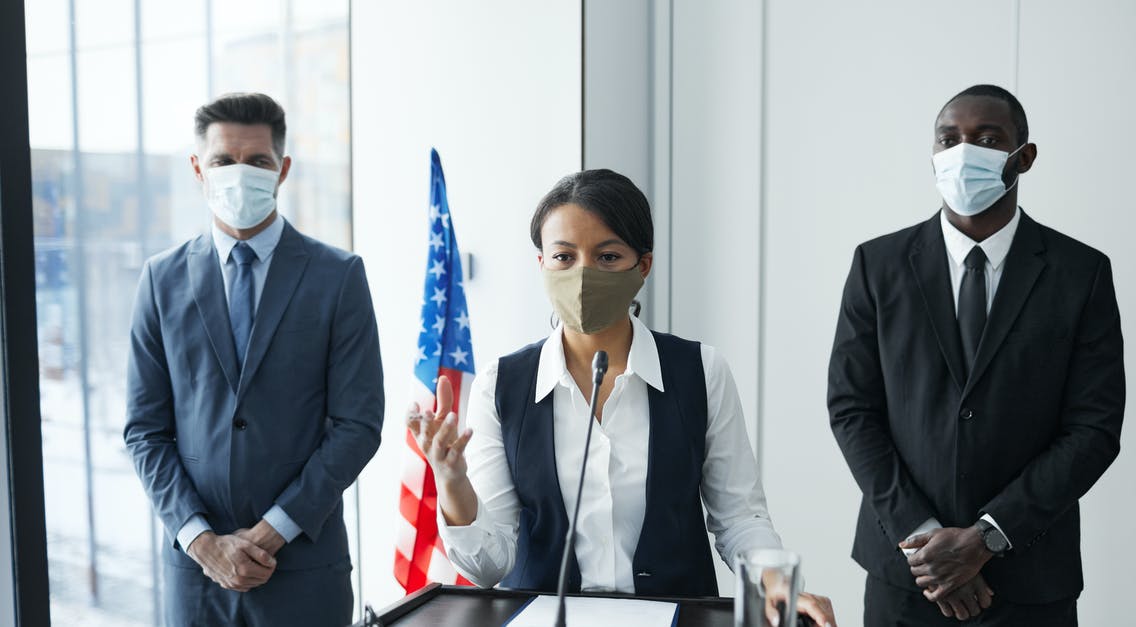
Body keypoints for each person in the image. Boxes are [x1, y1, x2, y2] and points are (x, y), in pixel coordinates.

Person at [407, 169, 836, 626]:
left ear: (643, 266)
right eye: (564, 257)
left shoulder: (701, 371)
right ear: (542, 266)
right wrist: (452, 480)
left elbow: (739, 517)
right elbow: (487, 567)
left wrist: (777, 582)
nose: (583, 275)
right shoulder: (502, 384)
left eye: (608, 257)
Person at [828, 84, 1125, 626]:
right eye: (949, 139)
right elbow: (852, 410)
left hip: (1031, 582)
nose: (964, 152)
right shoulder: (878, 266)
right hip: (905, 579)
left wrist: (988, 537)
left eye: (988, 139)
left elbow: (1094, 428)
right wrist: (924, 544)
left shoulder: (1080, 274)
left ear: (1024, 157)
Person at [124, 92, 384, 626]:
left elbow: (358, 424)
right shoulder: (160, 279)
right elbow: (144, 431)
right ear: (199, 168)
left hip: (304, 571)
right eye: (223, 160)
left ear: (282, 169)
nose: (239, 174)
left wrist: (273, 531)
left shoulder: (338, 277)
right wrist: (201, 541)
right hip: (196, 577)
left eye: (257, 161)